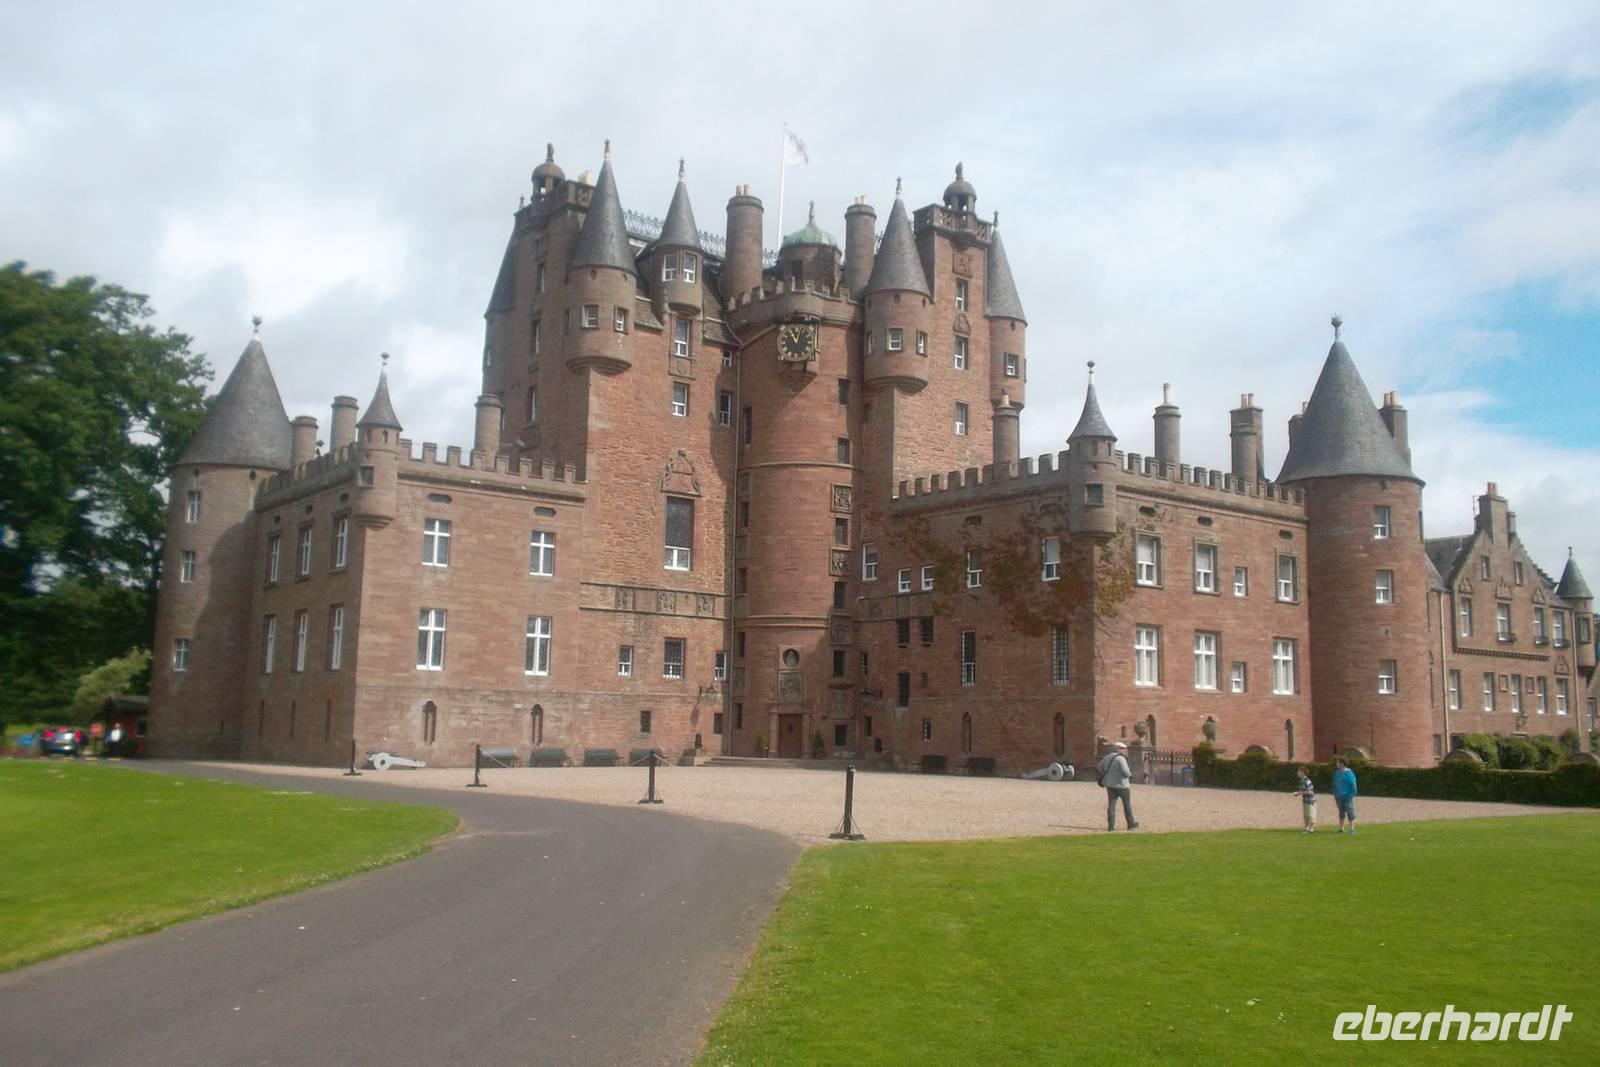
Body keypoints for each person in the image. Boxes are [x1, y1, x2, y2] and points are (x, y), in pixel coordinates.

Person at [1097, 741, 1139, 831]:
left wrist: (1108, 774)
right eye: (1124, 749)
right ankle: (1130, 824)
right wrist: (1130, 775)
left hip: (1110, 785)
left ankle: (1111, 826)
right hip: (1122, 786)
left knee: (1111, 806)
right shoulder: (1121, 759)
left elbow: (1100, 767)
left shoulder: (1107, 757)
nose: (1125, 751)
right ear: (1119, 749)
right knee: (1127, 805)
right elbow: (1125, 772)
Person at [1333, 756, 1358, 835]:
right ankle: (1341, 828)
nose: (1336, 764)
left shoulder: (1349, 774)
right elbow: (1335, 783)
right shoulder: (1337, 773)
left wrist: (1352, 794)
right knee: (1341, 812)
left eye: (1338, 763)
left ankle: (1352, 829)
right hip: (1339, 796)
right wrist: (1335, 792)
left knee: (1350, 812)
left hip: (1347, 796)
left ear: (1342, 764)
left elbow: (1353, 785)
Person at [1292, 765, 1316, 832]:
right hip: (1305, 801)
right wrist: (1297, 793)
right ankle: (1306, 827)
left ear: (1303, 772)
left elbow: (1310, 791)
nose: (1297, 773)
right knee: (1306, 815)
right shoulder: (1301, 781)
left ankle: (1311, 828)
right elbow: (1303, 791)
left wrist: (1299, 793)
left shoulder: (1307, 781)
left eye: (1299, 772)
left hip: (1311, 801)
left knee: (1311, 814)